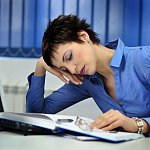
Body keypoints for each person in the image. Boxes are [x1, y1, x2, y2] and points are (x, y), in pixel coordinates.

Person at [26, 15, 150, 135]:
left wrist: (138, 124)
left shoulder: (143, 59)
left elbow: (134, 125)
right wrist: (40, 67)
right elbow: (36, 114)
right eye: (64, 69)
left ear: (83, 37)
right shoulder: (86, 81)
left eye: (69, 57)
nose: (72, 70)